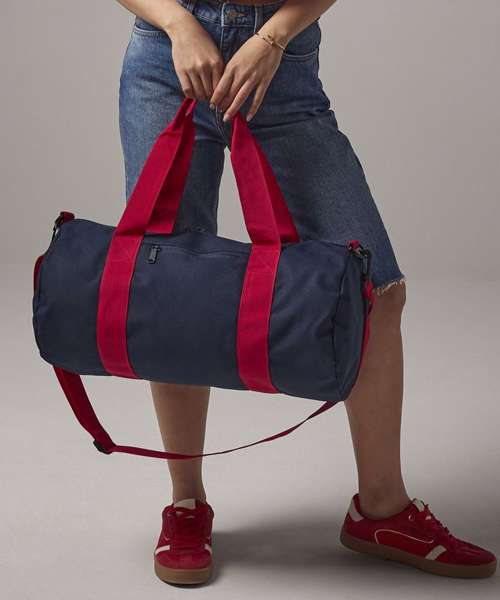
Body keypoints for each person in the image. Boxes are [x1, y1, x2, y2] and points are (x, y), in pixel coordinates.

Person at [115, 0, 497, 585]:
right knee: (173, 291)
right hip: (170, 62)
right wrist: (176, 23)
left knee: (374, 287)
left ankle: (381, 511)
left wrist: (275, 37)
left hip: (280, 65)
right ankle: (186, 504)